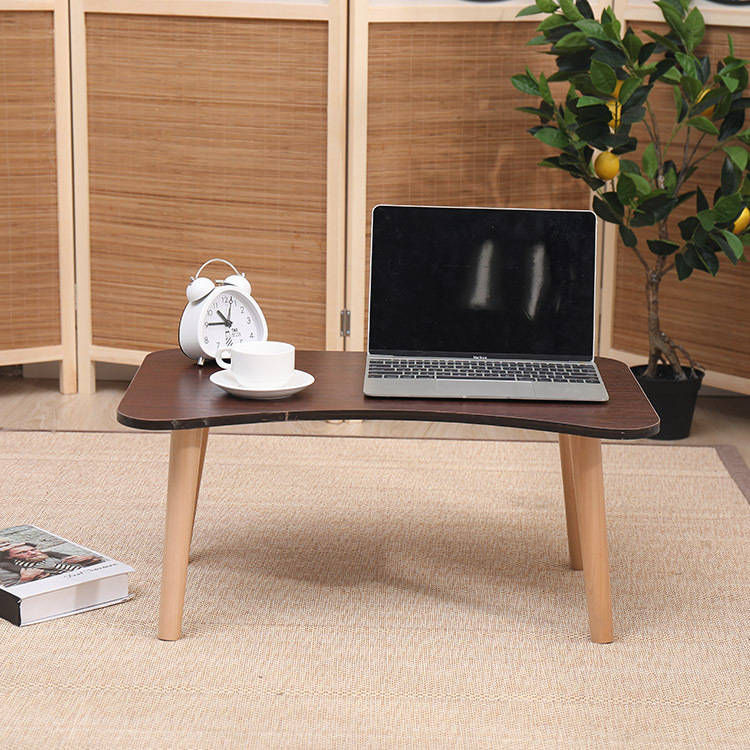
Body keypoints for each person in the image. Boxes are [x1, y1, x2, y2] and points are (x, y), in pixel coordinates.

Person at [0, 539, 102, 587]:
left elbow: (99, 564)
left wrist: (90, 559)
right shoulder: (7, 568)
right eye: (22, 552)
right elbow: (11, 591)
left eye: (33, 550)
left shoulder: (49, 555)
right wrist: (25, 579)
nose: (32, 553)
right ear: (9, 556)